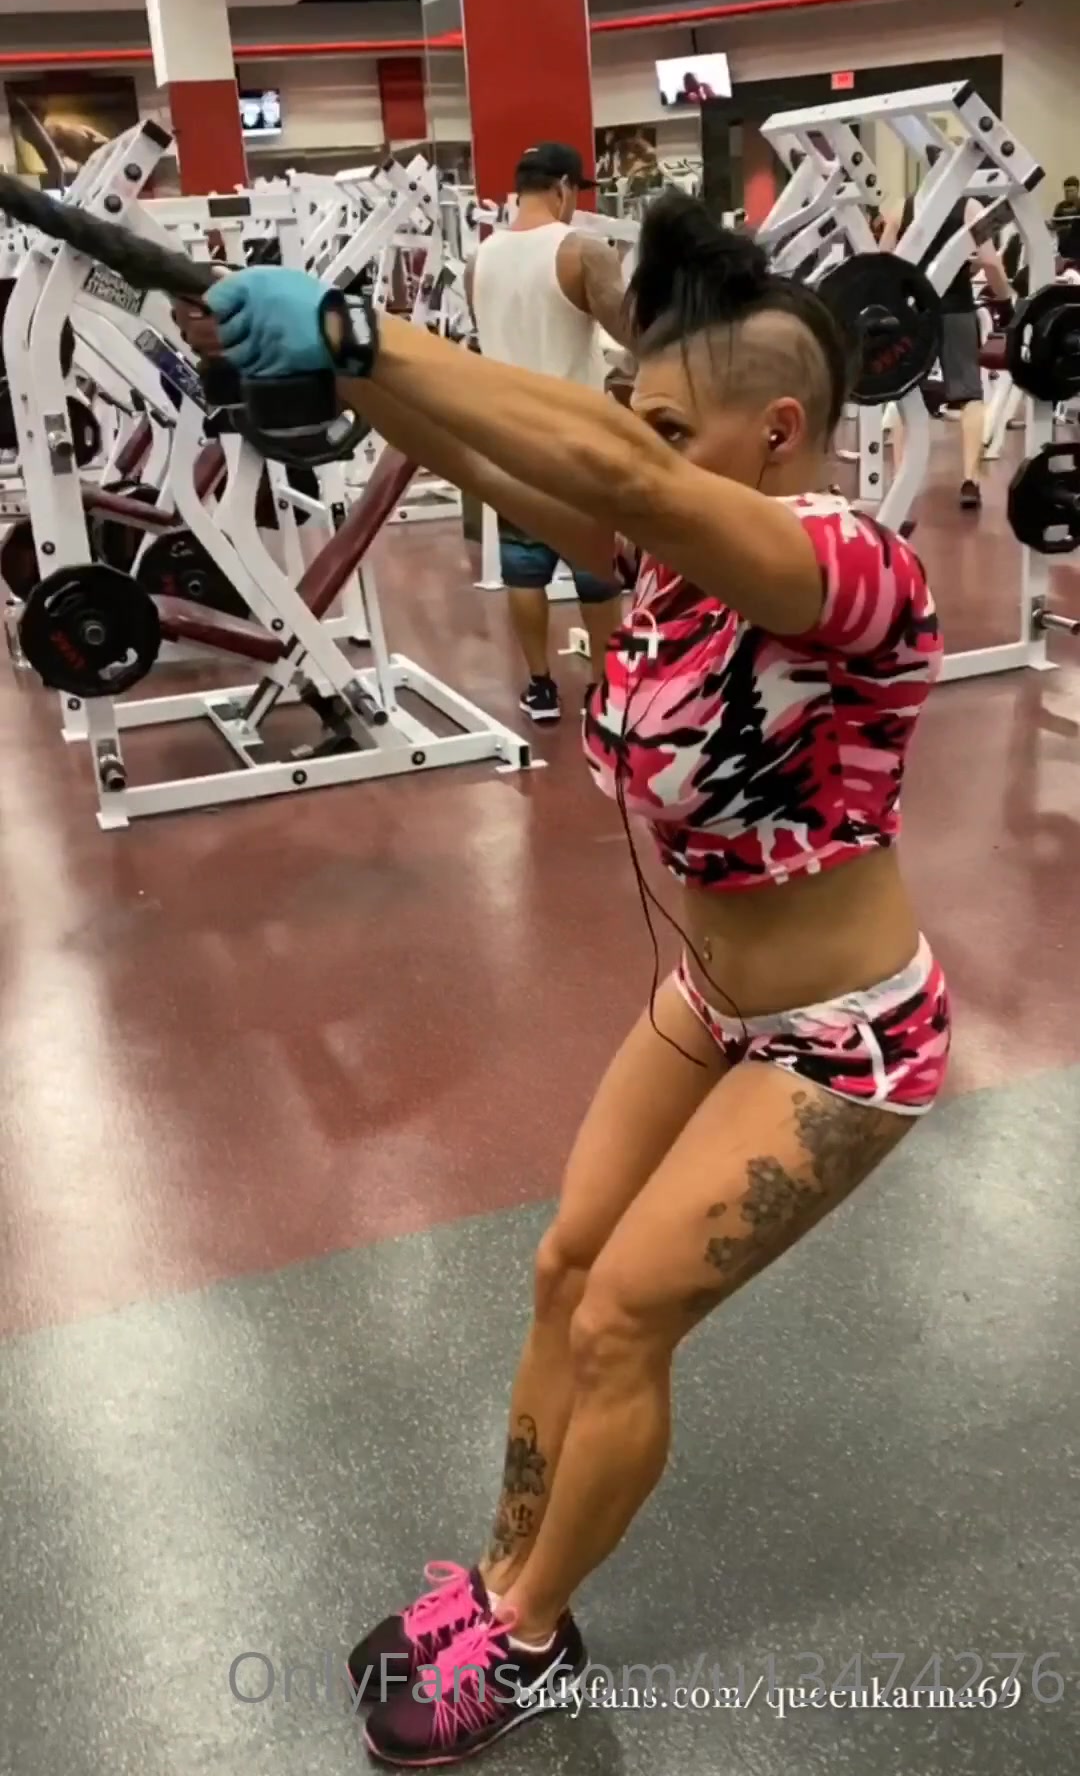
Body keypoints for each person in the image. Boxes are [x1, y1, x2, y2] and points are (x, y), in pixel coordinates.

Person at [181, 195, 951, 1769]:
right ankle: (497, 1579)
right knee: (560, 1271)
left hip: (845, 1041)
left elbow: (614, 473)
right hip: (714, 1001)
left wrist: (362, 329)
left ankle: (528, 1637)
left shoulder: (847, 563)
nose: (634, 445)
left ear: (778, 432)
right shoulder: (678, 559)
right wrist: (355, 380)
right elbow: (514, 470)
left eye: (666, 424)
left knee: (620, 1322)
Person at [466, 142, 628, 721]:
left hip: (510, 437)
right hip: (576, 439)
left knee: (523, 568)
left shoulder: (478, 259)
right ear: (562, 188)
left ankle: (540, 687)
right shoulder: (582, 251)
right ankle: (605, 690)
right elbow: (630, 331)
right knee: (596, 573)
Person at [881, 159, 1012, 511]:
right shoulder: (970, 207)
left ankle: (902, 481)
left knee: (906, 392)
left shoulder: (902, 209)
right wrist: (1005, 300)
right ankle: (970, 480)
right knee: (968, 393)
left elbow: (883, 262)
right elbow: (991, 263)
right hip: (956, 309)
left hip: (915, 313)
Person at [1052, 175, 1080, 266]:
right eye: (1066, 191)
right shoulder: (1060, 207)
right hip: (1063, 248)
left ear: (1077, 190)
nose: (1068, 194)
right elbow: (1054, 224)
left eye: (1071, 191)